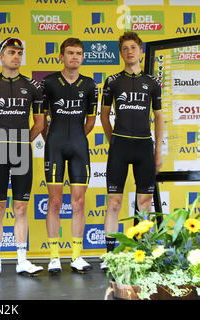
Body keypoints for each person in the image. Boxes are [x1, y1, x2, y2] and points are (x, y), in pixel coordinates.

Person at [0, 37, 45, 277]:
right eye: (11, 52)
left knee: (21, 208)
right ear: (1, 56)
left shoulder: (33, 86)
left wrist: (24, 141)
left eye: (19, 52)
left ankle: (22, 261)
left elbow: (39, 122)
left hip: (22, 152)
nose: (16, 56)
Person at [100, 31, 163, 271]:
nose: (129, 52)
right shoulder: (112, 81)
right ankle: (110, 255)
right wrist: (112, 140)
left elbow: (158, 117)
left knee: (144, 201)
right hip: (120, 146)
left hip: (144, 146)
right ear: (121, 53)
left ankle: (142, 252)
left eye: (133, 48)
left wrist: (158, 152)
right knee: (114, 202)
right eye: (125, 48)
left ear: (140, 52)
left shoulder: (152, 83)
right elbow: (104, 115)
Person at [40, 38, 97, 274]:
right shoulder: (49, 83)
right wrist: (52, 138)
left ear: (83, 57)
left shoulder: (90, 84)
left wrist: (75, 138)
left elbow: (91, 120)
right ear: (61, 56)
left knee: (79, 203)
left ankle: (76, 255)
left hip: (79, 147)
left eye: (79, 53)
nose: (75, 57)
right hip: (54, 145)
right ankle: (54, 256)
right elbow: (41, 120)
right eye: (70, 53)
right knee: (54, 202)